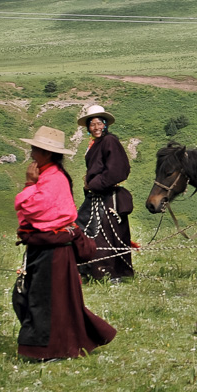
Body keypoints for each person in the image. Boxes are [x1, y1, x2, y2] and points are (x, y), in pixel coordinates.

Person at [14, 126, 116, 361]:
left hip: (54, 251)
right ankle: (53, 347)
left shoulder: (54, 179)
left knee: (49, 301)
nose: (31, 154)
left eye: (35, 150)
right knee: (48, 299)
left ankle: (52, 350)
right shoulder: (49, 175)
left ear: (47, 153)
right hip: (47, 249)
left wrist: (29, 185)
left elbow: (32, 208)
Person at [76, 105, 134, 281]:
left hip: (107, 197)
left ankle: (109, 274)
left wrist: (92, 184)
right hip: (96, 197)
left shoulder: (110, 141)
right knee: (86, 230)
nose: (96, 128)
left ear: (105, 124)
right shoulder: (97, 143)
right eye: (92, 124)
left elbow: (117, 171)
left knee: (105, 235)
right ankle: (89, 270)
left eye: (99, 123)